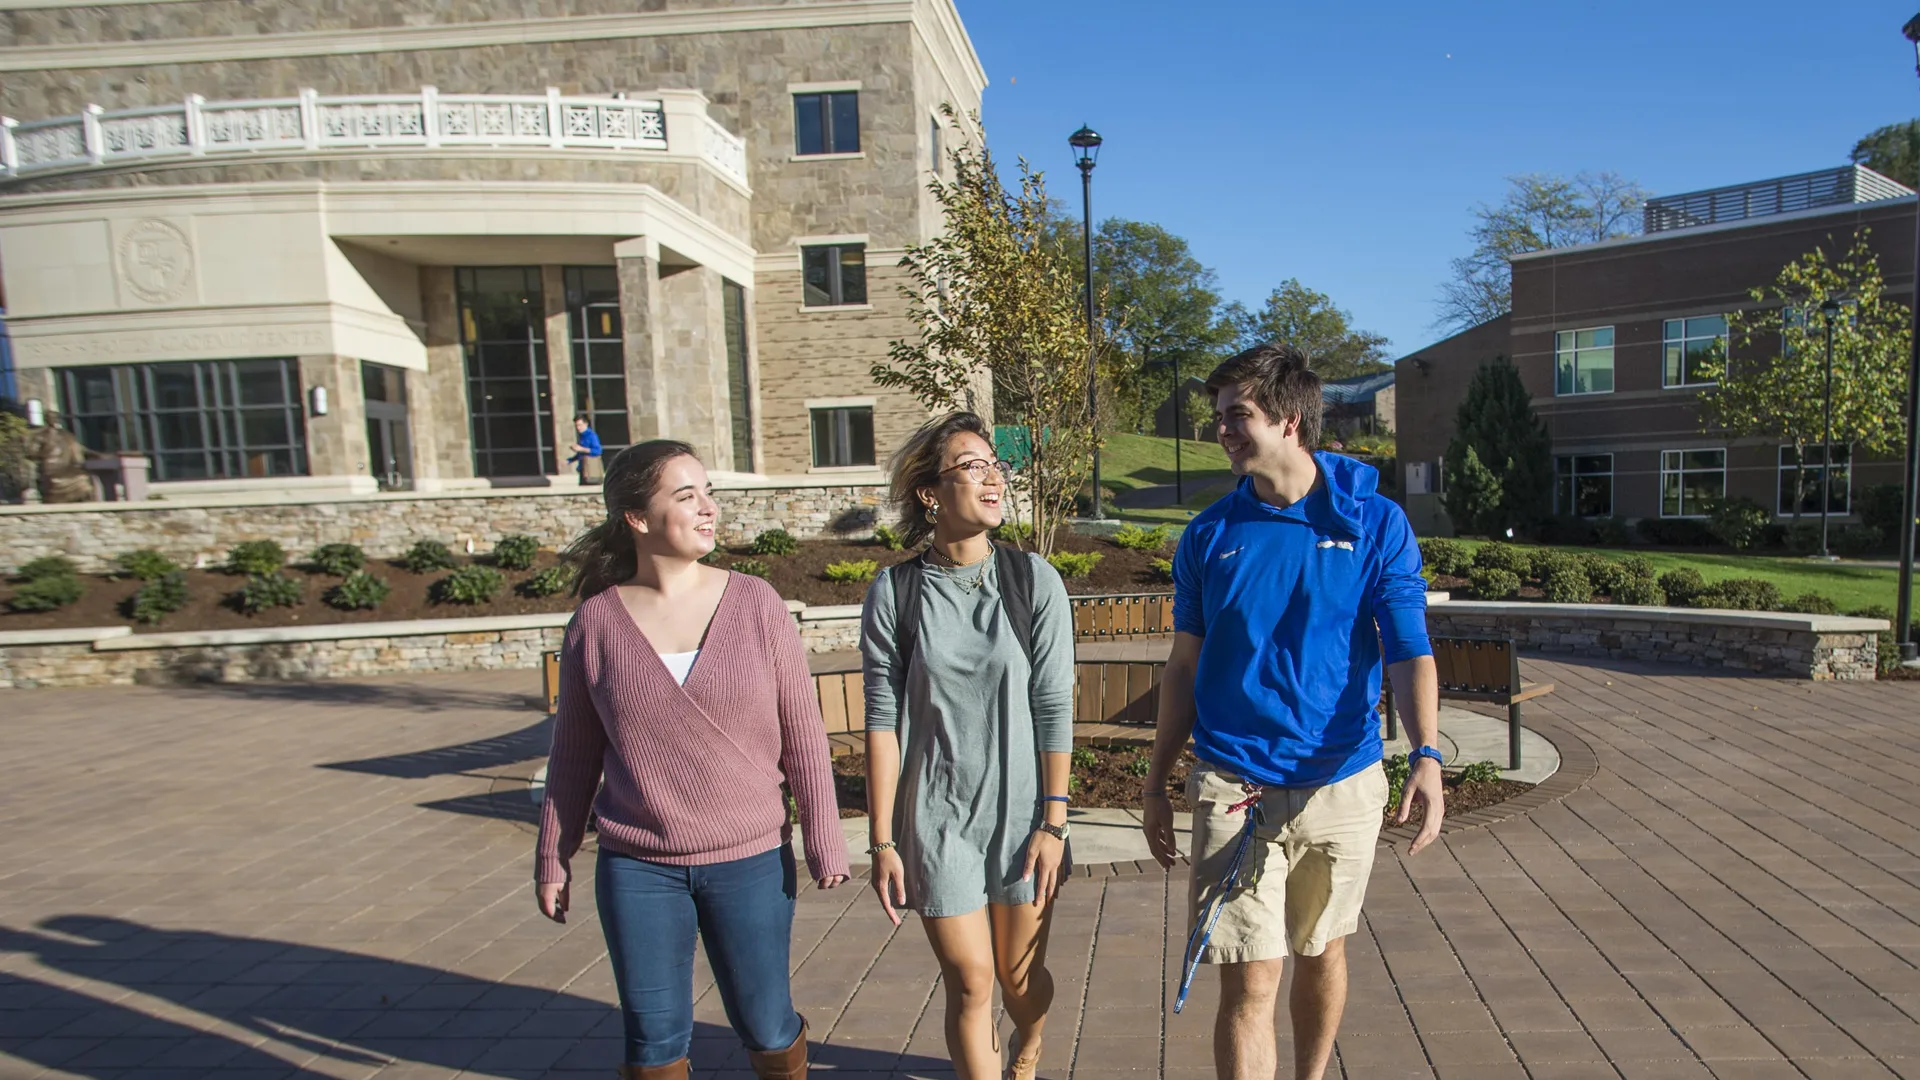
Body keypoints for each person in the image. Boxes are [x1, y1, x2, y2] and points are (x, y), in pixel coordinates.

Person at [1139, 343, 1443, 1080]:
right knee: (1249, 977)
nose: (1222, 431)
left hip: (1342, 780)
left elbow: (1407, 648)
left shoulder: (1372, 521)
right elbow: (1183, 665)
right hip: (1233, 783)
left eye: (1236, 415)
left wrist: (1427, 754)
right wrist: (1155, 782)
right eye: (1219, 418)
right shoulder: (1209, 535)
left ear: (1288, 419)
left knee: (1321, 952)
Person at [535, 439, 850, 1080]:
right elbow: (572, 758)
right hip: (637, 869)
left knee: (766, 1022)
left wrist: (824, 836)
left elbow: (803, 735)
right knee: (653, 1042)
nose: (708, 508)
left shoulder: (757, 604)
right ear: (638, 518)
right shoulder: (594, 625)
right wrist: (553, 855)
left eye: (709, 493)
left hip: (751, 861)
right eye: (686, 496)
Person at [860, 412, 1076, 1080]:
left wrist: (1054, 822)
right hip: (937, 817)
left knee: (1019, 983)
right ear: (930, 493)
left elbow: (1052, 703)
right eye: (971, 465)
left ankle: (1030, 1042)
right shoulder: (895, 593)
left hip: (1022, 818)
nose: (992, 478)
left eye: (995, 465)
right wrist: (882, 841)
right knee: (972, 981)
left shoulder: (1032, 580)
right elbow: (881, 721)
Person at [567, 413, 604, 484]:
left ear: (586, 424)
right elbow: (581, 454)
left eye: (580, 425)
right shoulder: (582, 436)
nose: (578, 428)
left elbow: (598, 451)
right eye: (576, 425)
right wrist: (570, 460)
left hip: (591, 471)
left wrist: (581, 449)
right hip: (583, 470)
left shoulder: (592, 436)